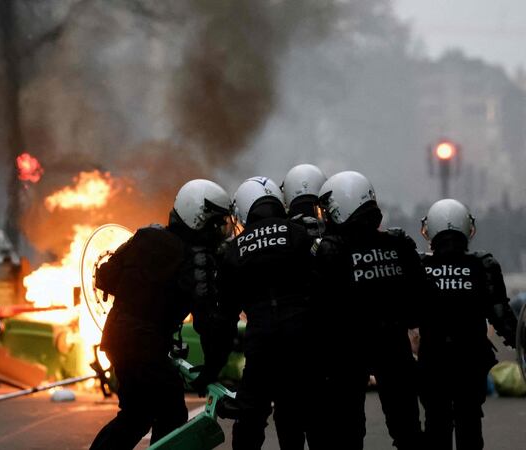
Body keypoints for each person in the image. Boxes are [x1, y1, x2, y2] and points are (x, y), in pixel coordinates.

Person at [89, 179, 232, 450]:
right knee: (172, 413)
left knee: (136, 415)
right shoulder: (196, 258)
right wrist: (211, 371)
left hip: (116, 340)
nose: (219, 232)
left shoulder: (145, 236)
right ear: (197, 217)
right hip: (146, 347)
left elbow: (105, 277)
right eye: (215, 223)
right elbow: (207, 321)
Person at [315, 171, 425, 450]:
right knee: (408, 429)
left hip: (348, 350)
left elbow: (319, 306)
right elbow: (420, 300)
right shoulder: (398, 244)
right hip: (394, 345)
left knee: (348, 431)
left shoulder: (331, 252)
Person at [213, 176, 325, 449]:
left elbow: (225, 314)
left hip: (261, 344)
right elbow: (324, 287)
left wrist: (213, 366)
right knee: (309, 414)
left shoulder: (234, 250)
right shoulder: (300, 234)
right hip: (303, 339)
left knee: (250, 419)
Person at [418, 199, 517, 450]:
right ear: (466, 227)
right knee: (470, 423)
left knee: (436, 425)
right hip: (471, 360)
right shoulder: (483, 265)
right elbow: (502, 316)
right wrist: (519, 339)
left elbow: (406, 312)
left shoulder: (420, 266)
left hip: (433, 359)